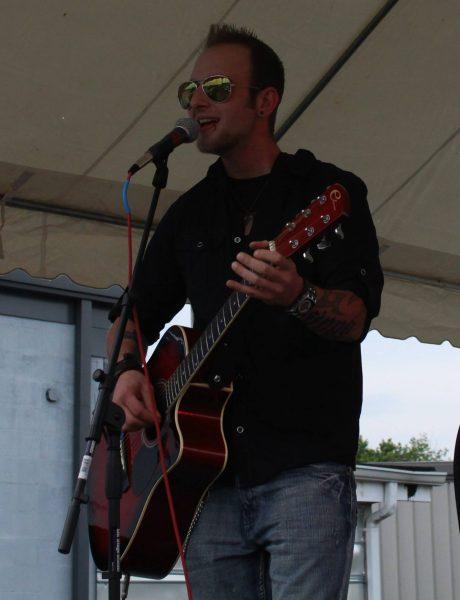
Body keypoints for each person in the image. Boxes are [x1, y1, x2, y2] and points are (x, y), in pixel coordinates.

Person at [108, 24, 383, 600]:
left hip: (304, 469)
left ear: (266, 101)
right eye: (190, 92)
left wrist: (299, 295)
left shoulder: (327, 193)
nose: (197, 101)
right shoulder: (191, 212)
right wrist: (129, 371)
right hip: (204, 481)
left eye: (216, 87)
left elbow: (356, 315)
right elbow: (133, 312)